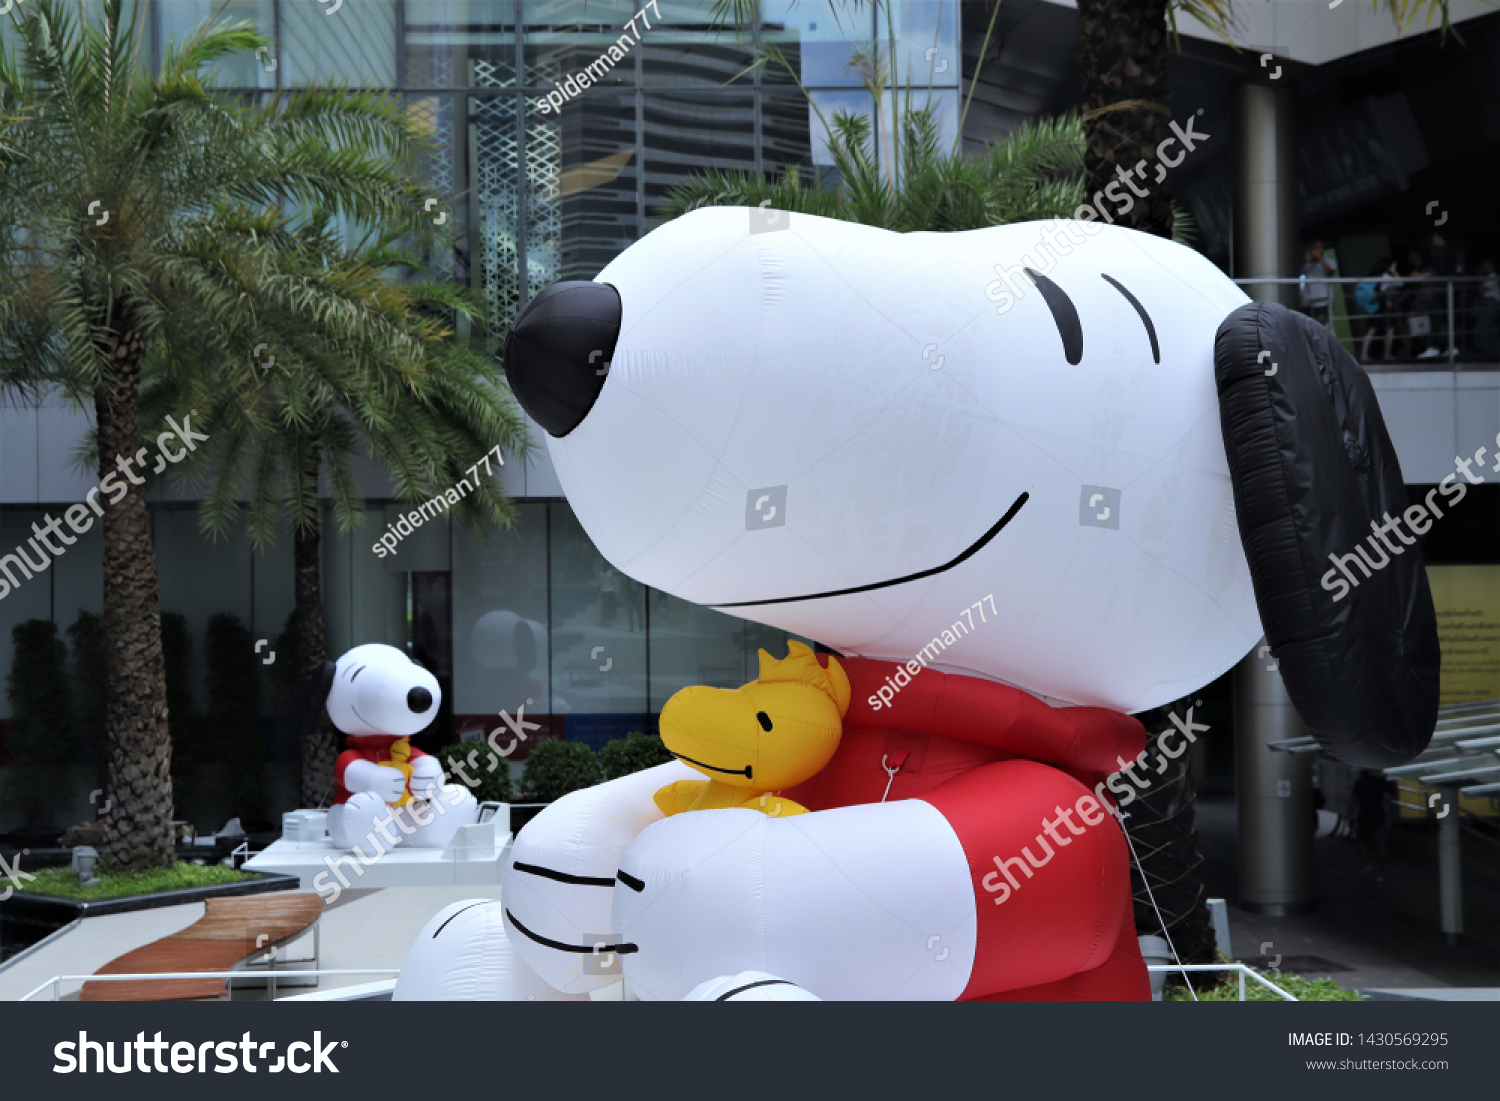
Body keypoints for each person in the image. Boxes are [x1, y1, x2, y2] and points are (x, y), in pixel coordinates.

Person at [1349, 769, 1395, 880]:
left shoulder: (1359, 782)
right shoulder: (1379, 781)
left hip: (1364, 817)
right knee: (1380, 846)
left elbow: (1354, 801)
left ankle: (1367, 865)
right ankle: (1380, 873)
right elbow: (1393, 791)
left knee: (1360, 841)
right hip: (1379, 817)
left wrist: (1349, 815)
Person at [1355, 259, 1388, 362]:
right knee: (1373, 330)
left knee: (1371, 330)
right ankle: (1366, 355)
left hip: (1371, 308)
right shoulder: (1383, 278)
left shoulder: (1370, 278)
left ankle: (1364, 354)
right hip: (1377, 307)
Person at [1299, 240, 1338, 326]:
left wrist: (1319, 257)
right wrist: (1306, 259)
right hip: (1307, 301)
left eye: (1317, 247)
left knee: (1321, 326)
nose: (1315, 249)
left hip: (1323, 300)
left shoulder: (1330, 261)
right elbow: (1298, 273)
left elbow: (1330, 272)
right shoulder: (1307, 263)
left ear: (1323, 249)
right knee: (1307, 326)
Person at [1476, 258, 1499, 357]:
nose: (1484, 267)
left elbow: (1482, 289)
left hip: (1493, 304)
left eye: (1486, 264)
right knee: (1491, 328)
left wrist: (1480, 276)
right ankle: (1496, 350)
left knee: (1481, 326)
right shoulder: (1489, 276)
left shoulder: (1493, 276)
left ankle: (1488, 348)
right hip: (1490, 303)